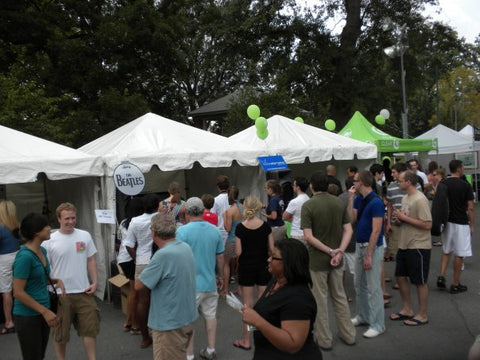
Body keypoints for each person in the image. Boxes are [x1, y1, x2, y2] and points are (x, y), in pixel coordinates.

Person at [241, 239, 323, 359]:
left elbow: (293, 344)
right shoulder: (276, 280)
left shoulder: (298, 299)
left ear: (289, 263)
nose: (268, 260)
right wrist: (253, 320)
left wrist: (257, 320)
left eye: (273, 257)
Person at [302, 172, 356, 350]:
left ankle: (325, 340)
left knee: (320, 300)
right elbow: (348, 230)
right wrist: (339, 250)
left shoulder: (308, 205)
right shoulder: (338, 203)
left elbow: (308, 237)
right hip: (337, 259)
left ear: (312, 186)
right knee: (339, 297)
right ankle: (349, 334)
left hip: (317, 260)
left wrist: (330, 251)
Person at [135, 213, 197, 360]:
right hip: (186, 316)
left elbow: (138, 284)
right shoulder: (185, 247)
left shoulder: (162, 255)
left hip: (169, 323)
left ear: (154, 233)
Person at [43, 203, 99, 360]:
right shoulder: (49, 240)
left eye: (73, 217)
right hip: (61, 295)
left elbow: (91, 260)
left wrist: (94, 282)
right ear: (58, 219)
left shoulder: (84, 235)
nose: (70, 221)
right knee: (60, 333)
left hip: (84, 292)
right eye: (66, 218)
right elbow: (45, 268)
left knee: (90, 330)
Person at [177, 197, 224, 360]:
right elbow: (220, 258)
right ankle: (211, 349)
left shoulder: (181, 232)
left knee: (189, 320)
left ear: (187, 212)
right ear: (203, 210)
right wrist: (221, 277)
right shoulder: (214, 230)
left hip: (189, 285)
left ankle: (189, 355)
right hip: (209, 281)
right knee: (211, 316)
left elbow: (177, 259)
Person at [12, 213, 65, 360]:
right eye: (46, 226)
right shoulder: (24, 257)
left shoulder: (42, 251)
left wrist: (56, 281)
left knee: (39, 355)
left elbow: (38, 279)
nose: (50, 228)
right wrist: (45, 311)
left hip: (43, 311)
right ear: (36, 232)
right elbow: (18, 292)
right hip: (27, 316)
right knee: (32, 356)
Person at [390, 170, 432, 326]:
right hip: (404, 243)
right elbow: (407, 219)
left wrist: (404, 218)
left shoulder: (420, 199)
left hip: (418, 245)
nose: (397, 182)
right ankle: (407, 309)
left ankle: (422, 314)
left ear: (408, 182)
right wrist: (400, 219)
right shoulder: (405, 197)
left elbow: (428, 224)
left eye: (400, 180)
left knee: (420, 281)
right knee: (400, 276)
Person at [348, 171, 385, 338]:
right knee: (359, 284)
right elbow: (351, 219)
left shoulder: (376, 202)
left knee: (373, 287)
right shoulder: (358, 199)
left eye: (355, 181)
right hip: (360, 245)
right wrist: (350, 199)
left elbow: (376, 230)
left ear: (361, 182)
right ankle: (363, 316)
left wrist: (369, 254)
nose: (353, 183)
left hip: (372, 248)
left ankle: (378, 324)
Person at [234, 196, 274, 351]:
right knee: (263, 302)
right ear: (258, 208)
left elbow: (238, 252)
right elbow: (271, 249)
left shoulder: (240, 228)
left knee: (247, 305)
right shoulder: (265, 226)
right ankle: (266, 337)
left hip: (246, 267)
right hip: (263, 266)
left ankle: (246, 340)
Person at [124, 194, 160, 348]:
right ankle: (161, 333)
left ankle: (145, 337)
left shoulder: (135, 221)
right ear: (157, 205)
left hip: (142, 261)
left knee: (142, 300)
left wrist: (136, 257)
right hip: (161, 259)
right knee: (161, 298)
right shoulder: (161, 217)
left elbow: (129, 244)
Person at [437, 159, 474, 294]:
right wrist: (472, 224)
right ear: (459, 169)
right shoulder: (465, 185)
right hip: (461, 222)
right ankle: (455, 283)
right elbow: (470, 207)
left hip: (446, 222)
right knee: (460, 253)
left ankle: (441, 276)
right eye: (462, 167)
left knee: (446, 250)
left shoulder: (443, 184)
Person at [116, 197, 144, 334]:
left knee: (135, 292)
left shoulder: (123, 222)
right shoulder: (137, 223)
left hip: (123, 258)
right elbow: (134, 243)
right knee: (135, 292)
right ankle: (133, 324)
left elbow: (121, 240)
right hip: (131, 258)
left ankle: (129, 322)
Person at [0, 200, 20, 335]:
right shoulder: (17, 226)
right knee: (20, 288)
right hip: (18, 255)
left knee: (6, 291)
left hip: (4, 259)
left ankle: (9, 322)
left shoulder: (1, 227)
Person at [222, 186, 243, 295]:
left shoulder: (229, 211)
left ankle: (225, 289)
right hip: (243, 239)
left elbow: (228, 228)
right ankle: (240, 289)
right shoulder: (243, 207)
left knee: (226, 264)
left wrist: (224, 217)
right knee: (241, 264)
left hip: (232, 239)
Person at [282, 177, 309, 245]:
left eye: (294, 185)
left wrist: (294, 219)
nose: (293, 187)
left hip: (296, 233)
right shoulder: (309, 199)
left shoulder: (294, 201)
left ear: (298, 187)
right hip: (307, 233)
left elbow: (284, 217)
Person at [211, 175, 231, 244]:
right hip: (231, 232)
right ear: (228, 186)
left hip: (220, 232)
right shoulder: (232, 199)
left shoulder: (215, 200)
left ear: (218, 187)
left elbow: (213, 217)